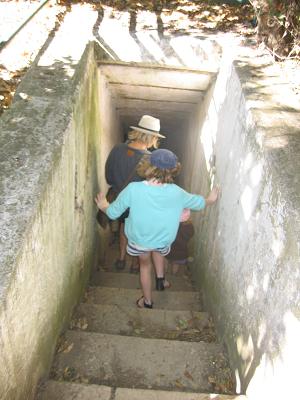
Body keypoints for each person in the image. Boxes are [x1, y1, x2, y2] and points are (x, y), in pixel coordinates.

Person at [95, 148, 219, 309]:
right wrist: (210, 199)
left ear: (148, 165)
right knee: (159, 251)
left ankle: (147, 302)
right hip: (163, 239)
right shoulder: (177, 193)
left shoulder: (134, 189)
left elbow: (112, 213)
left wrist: (104, 205)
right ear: (173, 170)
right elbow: (200, 203)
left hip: (140, 240)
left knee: (145, 266)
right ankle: (161, 280)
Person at [104, 115, 165, 271]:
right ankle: (136, 264)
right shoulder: (151, 159)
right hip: (140, 203)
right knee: (137, 232)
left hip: (119, 198)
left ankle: (121, 258)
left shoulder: (117, 149)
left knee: (124, 227)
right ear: (152, 137)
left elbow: (109, 178)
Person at [165, 208, 194, 275]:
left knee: (165, 259)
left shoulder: (171, 223)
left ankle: (164, 271)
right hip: (181, 249)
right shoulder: (189, 226)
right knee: (176, 263)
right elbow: (191, 234)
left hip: (169, 247)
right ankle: (174, 274)